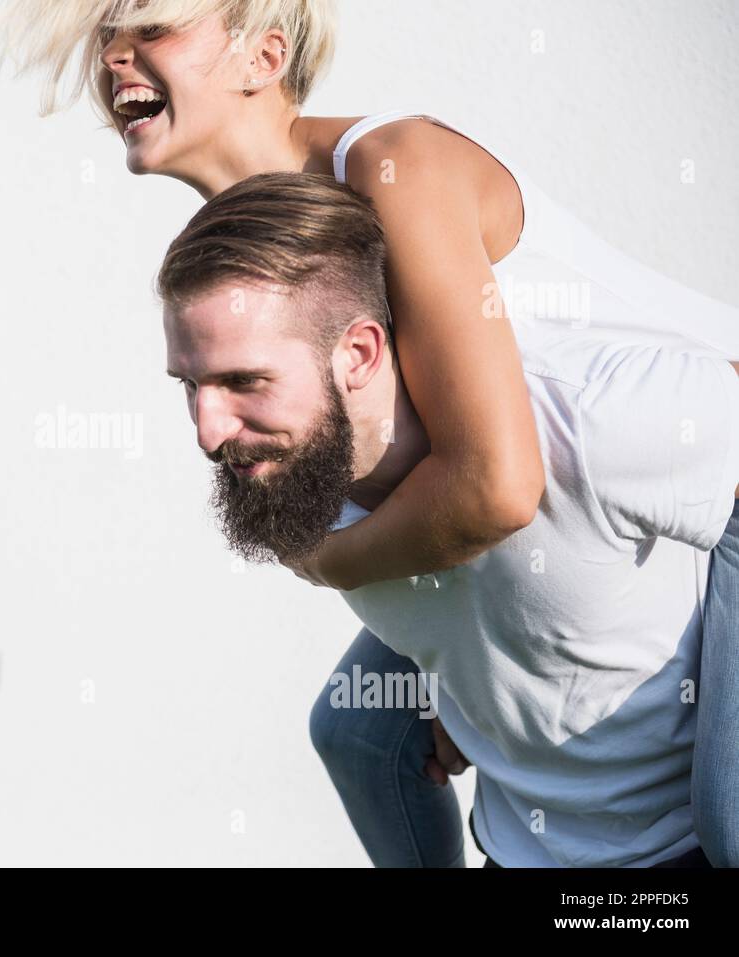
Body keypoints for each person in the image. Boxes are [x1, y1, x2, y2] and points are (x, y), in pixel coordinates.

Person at [0, 0, 739, 866]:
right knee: (357, 732)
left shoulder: (391, 170)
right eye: (105, 39)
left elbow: (496, 485)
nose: (114, 58)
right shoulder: (266, 257)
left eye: (151, 31)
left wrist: (323, 561)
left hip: (692, 476)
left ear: (264, 55)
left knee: (721, 812)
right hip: (522, 509)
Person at [156, 169, 739, 867]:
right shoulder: (295, 484)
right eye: (190, 385)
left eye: (243, 381)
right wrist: (469, 682)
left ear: (359, 353)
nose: (207, 431)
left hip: (683, 849)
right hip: (518, 847)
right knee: (352, 730)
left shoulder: (583, 417)